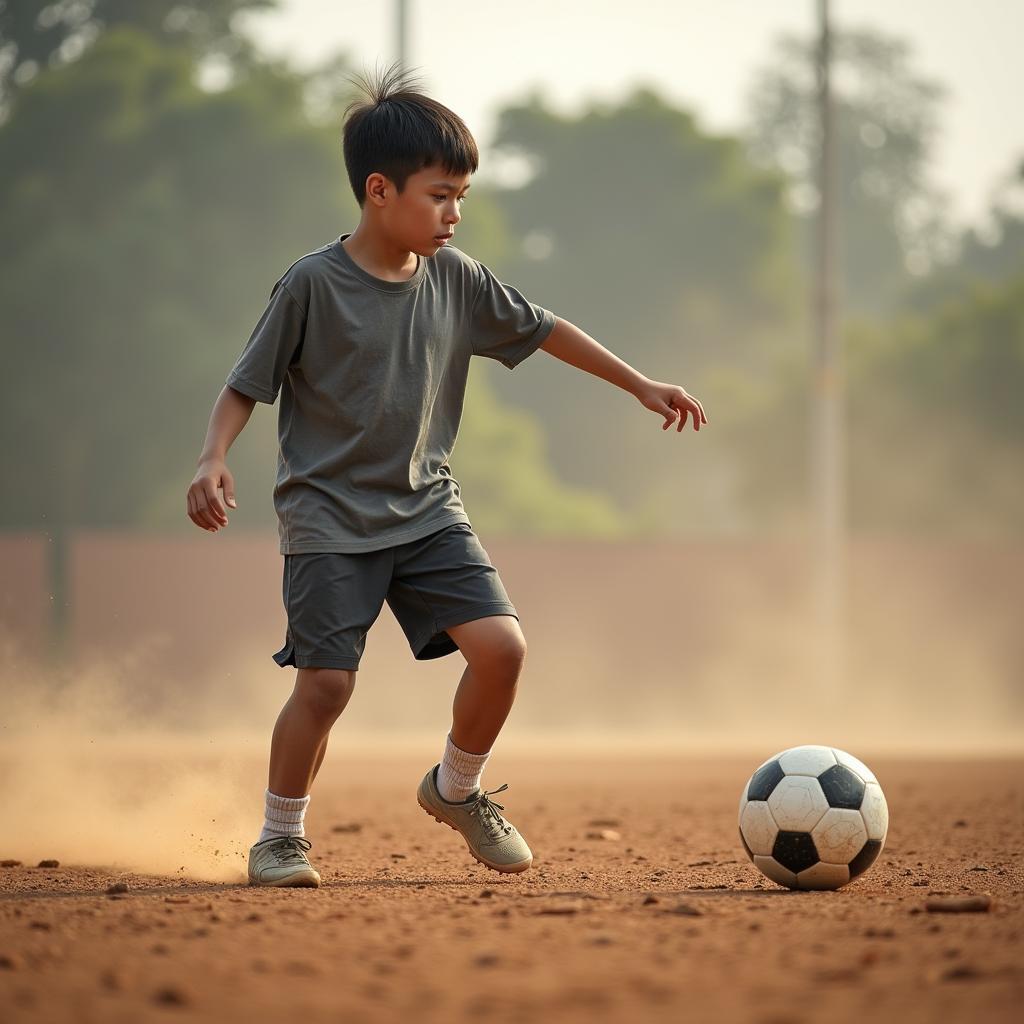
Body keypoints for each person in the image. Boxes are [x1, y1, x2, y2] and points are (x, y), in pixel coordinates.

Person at [186, 65, 707, 888]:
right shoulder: (312, 284)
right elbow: (246, 384)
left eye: (461, 195)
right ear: (379, 191)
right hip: (327, 519)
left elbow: (546, 330)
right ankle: (279, 837)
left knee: (502, 650)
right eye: (440, 196)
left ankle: (455, 790)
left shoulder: (457, 278)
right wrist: (213, 457)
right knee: (325, 685)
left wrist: (639, 382)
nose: (454, 214)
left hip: (427, 509)